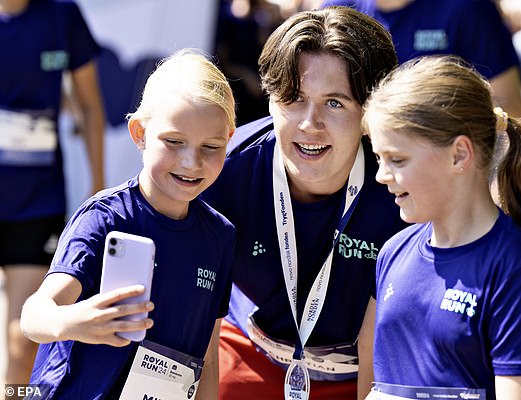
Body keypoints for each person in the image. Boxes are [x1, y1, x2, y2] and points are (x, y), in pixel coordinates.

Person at [200, 6, 405, 400]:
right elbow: (195, 317)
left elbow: (384, 350)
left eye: (334, 103)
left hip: (359, 375)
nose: (310, 124)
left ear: (370, 110)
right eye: (293, 98)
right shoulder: (224, 168)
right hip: (246, 357)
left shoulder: (399, 183)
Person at [19, 48, 236, 399]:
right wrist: (74, 322)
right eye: (174, 141)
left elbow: (208, 358)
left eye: (210, 146)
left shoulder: (220, 236)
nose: (191, 161)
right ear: (139, 133)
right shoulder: (105, 217)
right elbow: (33, 317)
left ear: (229, 140)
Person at [363, 55, 521, 400]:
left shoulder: (520, 271)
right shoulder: (393, 252)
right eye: (379, 158)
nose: (382, 175)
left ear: (459, 154)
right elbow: (371, 384)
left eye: (397, 160)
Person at [0, 0, 105, 385]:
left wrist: (98, 185)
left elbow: (90, 106)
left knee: (23, 339)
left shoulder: (62, 15)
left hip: (36, 203)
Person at [320, 0, 521, 119]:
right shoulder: (335, 10)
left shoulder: (467, 8)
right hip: (359, 174)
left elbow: (509, 110)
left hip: (445, 174)